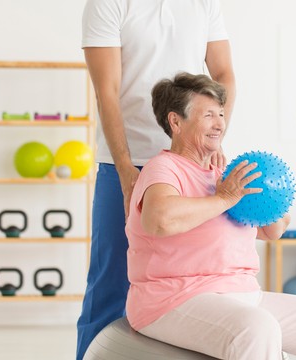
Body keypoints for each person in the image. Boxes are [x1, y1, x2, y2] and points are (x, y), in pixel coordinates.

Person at [124, 72, 296, 360]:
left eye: (221, 114)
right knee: (257, 327)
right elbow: (159, 220)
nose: (219, 124)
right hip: (173, 299)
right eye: (208, 115)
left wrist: (270, 204)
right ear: (176, 122)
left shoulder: (225, 175)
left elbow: (272, 230)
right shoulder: (163, 168)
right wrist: (225, 198)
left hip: (244, 295)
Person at [77, 0, 236, 358]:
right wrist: (124, 170)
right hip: (127, 162)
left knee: (199, 279)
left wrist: (213, 139)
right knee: (111, 282)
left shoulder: (204, 5)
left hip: (192, 159)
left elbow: (224, 74)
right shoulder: (108, 4)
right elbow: (106, 91)